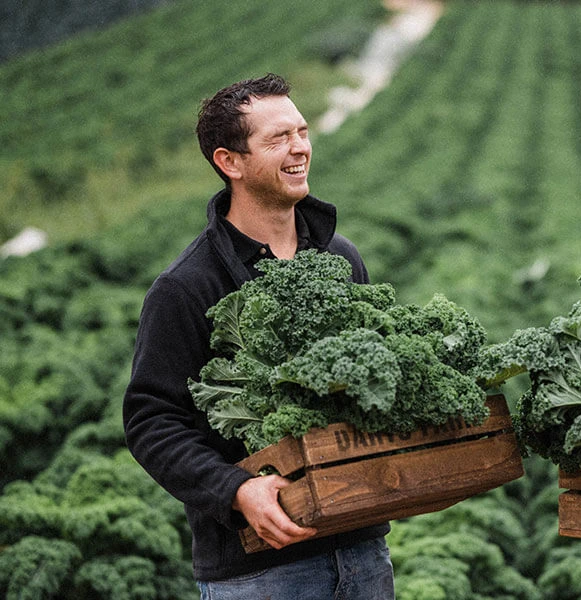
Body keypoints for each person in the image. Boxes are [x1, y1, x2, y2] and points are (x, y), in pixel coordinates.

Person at [123, 73, 394, 599]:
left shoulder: (341, 256)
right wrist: (236, 490)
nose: (300, 148)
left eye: (302, 131)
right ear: (230, 162)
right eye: (279, 139)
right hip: (260, 571)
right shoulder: (186, 287)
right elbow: (151, 421)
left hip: (362, 550)